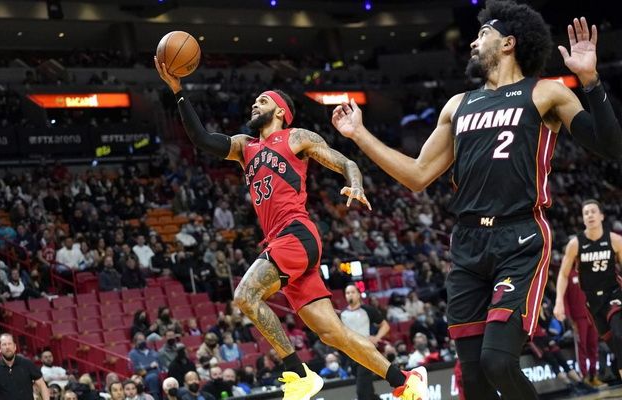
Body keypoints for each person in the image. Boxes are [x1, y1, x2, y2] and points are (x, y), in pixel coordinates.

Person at [333, 0, 622, 395]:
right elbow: (417, 176)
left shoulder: (545, 93)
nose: (472, 42)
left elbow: (610, 146)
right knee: (472, 377)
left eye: (483, 34)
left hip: (519, 237)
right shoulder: (458, 105)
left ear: (508, 43)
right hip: (468, 243)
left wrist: (590, 81)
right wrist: (358, 134)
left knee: (497, 362)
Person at [156, 54, 427, 400]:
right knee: (334, 334)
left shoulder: (296, 137)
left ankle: (299, 374)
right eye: (255, 101)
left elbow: (346, 162)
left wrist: (356, 184)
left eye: (263, 100)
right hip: (285, 244)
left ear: (280, 111)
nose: (255, 104)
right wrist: (178, 91)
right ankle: (404, 380)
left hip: (295, 233)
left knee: (245, 296)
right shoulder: (244, 146)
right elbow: (203, 139)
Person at [554, 199, 622, 381]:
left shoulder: (615, 240)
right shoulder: (575, 244)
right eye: (586, 213)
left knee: (620, 336)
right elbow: (563, 275)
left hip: (614, 295)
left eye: (593, 211)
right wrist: (559, 301)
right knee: (616, 347)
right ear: (583, 219)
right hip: (593, 303)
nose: (590, 215)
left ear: (602, 216)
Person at [340, 284, 390, 400]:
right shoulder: (342, 314)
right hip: (351, 355)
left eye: (353, 292)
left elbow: (385, 326)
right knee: (368, 392)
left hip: (366, 353)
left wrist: (376, 338)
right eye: (347, 293)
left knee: (361, 392)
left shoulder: (367, 310)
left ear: (358, 295)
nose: (350, 295)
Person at [560, 257, 602, 387]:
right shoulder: (567, 275)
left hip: (592, 316)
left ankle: (594, 376)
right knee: (581, 347)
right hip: (578, 319)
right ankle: (584, 377)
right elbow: (565, 299)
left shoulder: (589, 273)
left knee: (593, 346)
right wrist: (570, 319)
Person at [0, 333, 50, 400]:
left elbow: (42, 385)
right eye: (4, 344)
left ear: (15, 347)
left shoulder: (27, 363)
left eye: (9, 344)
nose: (7, 347)